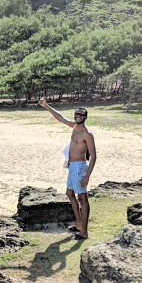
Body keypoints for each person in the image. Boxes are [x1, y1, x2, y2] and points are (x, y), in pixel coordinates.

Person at [38, 98, 96, 240]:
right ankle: (78, 224)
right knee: (69, 194)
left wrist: (87, 176)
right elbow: (60, 118)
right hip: (72, 166)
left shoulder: (87, 134)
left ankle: (84, 232)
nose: (78, 116)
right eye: (77, 114)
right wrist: (46, 106)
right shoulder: (75, 127)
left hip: (80, 167)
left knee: (82, 198)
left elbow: (94, 156)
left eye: (81, 115)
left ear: (86, 117)